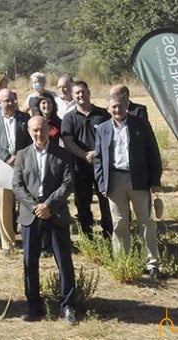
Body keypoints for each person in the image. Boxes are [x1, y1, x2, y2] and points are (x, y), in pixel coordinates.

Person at [12, 116, 78, 326]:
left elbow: (68, 184)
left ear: (49, 130)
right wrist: (34, 206)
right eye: (34, 131)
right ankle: (34, 305)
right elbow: (17, 185)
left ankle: (68, 305)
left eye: (41, 130)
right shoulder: (22, 155)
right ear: (29, 132)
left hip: (55, 213)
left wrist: (48, 205)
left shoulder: (63, 154)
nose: (38, 134)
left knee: (64, 261)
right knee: (30, 261)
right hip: (31, 214)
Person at [94, 94, 163, 278]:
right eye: (114, 107)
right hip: (115, 181)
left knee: (146, 222)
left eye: (121, 106)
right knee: (119, 223)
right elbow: (99, 159)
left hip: (139, 179)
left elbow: (153, 152)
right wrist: (102, 183)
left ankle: (152, 263)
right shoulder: (102, 129)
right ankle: (123, 262)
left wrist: (155, 181)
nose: (117, 110)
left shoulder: (141, 124)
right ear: (108, 108)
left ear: (127, 106)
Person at [61, 81, 113, 239]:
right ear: (72, 95)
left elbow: (112, 137)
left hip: (102, 166)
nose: (80, 95)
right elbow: (68, 142)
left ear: (89, 92)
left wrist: (97, 153)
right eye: (77, 93)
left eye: (83, 91)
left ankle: (109, 235)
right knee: (82, 203)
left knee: (106, 202)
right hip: (79, 167)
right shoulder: (69, 118)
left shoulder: (103, 114)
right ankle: (87, 236)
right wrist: (84, 155)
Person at [0, 88, 31, 255]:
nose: (9, 103)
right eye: (6, 101)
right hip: (3, 165)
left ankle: (29, 238)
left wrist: (21, 157)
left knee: (27, 200)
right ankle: (7, 243)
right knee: (3, 203)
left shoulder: (25, 118)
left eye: (12, 100)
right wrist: (6, 157)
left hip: (23, 163)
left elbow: (30, 139)